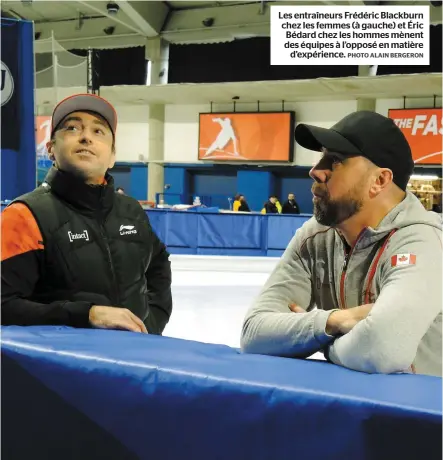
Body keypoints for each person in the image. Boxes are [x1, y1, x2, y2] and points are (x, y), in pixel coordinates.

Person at [241, 111, 442, 377]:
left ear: (379, 181)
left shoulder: (422, 241)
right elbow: (254, 333)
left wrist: (325, 344)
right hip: (352, 410)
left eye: (334, 161)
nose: (315, 171)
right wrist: (337, 320)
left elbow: (381, 350)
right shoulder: (315, 236)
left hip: (421, 415)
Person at [1, 94, 172, 335]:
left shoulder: (131, 212)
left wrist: (152, 324)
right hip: (62, 367)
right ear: (51, 149)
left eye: (98, 131)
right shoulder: (24, 215)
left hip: (134, 363)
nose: (85, 137)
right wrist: (87, 315)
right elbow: (3, 305)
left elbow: (159, 267)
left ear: (112, 156)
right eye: (72, 128)